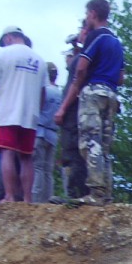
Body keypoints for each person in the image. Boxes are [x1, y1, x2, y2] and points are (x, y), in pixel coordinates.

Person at [55, 0, 124, 205]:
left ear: (93, 13)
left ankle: (95, 193)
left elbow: (81, 67)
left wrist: (76, 86)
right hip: (111, 94)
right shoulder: (116, 42)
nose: (86, 18)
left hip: (93, 92)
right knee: (104, 145)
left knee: (89, 142)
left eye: (87, 14)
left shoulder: (97, 36)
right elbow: (122, 77)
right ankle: (106, 194)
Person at [0, 26, 45, 203]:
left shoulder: (2, 55)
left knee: (7, 153)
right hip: (30, 115)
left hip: (8, 112)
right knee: (26, 157)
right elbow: (43, 92)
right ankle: (27, 199)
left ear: (8, 38)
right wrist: (37, 112)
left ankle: (9, 196)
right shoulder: (39, 60)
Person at [56, 25, 89, 199]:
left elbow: (75, 86)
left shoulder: (83, 60)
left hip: (74, 113)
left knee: (73, 152)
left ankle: (75, 194)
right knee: (81, 151)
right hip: (81, 111)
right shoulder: (89, 57)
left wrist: (62, 109)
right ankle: (78, 192)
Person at [32, 62, 62, 202]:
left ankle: (36, 200)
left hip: (40, 132)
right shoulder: (61, 93)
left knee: (38, 167)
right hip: (54, 134)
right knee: (48, 170)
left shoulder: (43, 91)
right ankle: (48, 199)